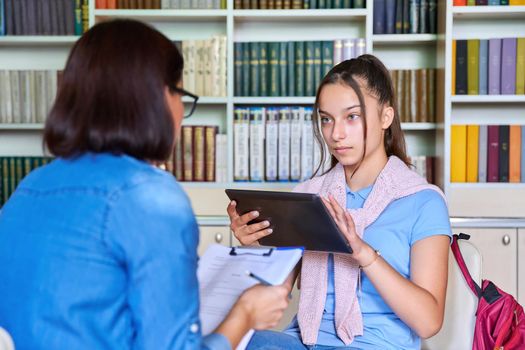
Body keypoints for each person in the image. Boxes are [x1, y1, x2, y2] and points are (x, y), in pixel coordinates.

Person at [0, 19, 289, 350]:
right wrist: (245, 314)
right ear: (158, 98)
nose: (182, 111)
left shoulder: (29, 187)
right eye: (180, 93)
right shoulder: (150, 197)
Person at [227, 55, 452, 350]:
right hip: (303, 342)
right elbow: (272, 301)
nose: (336, 134)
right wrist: (255, 248)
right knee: (231, 340)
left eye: (352, 117)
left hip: (376, 345)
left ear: (386, 117)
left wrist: (363, 253)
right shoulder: (308, 197)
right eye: (326, 119)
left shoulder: (423, 201)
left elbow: (428, 322)